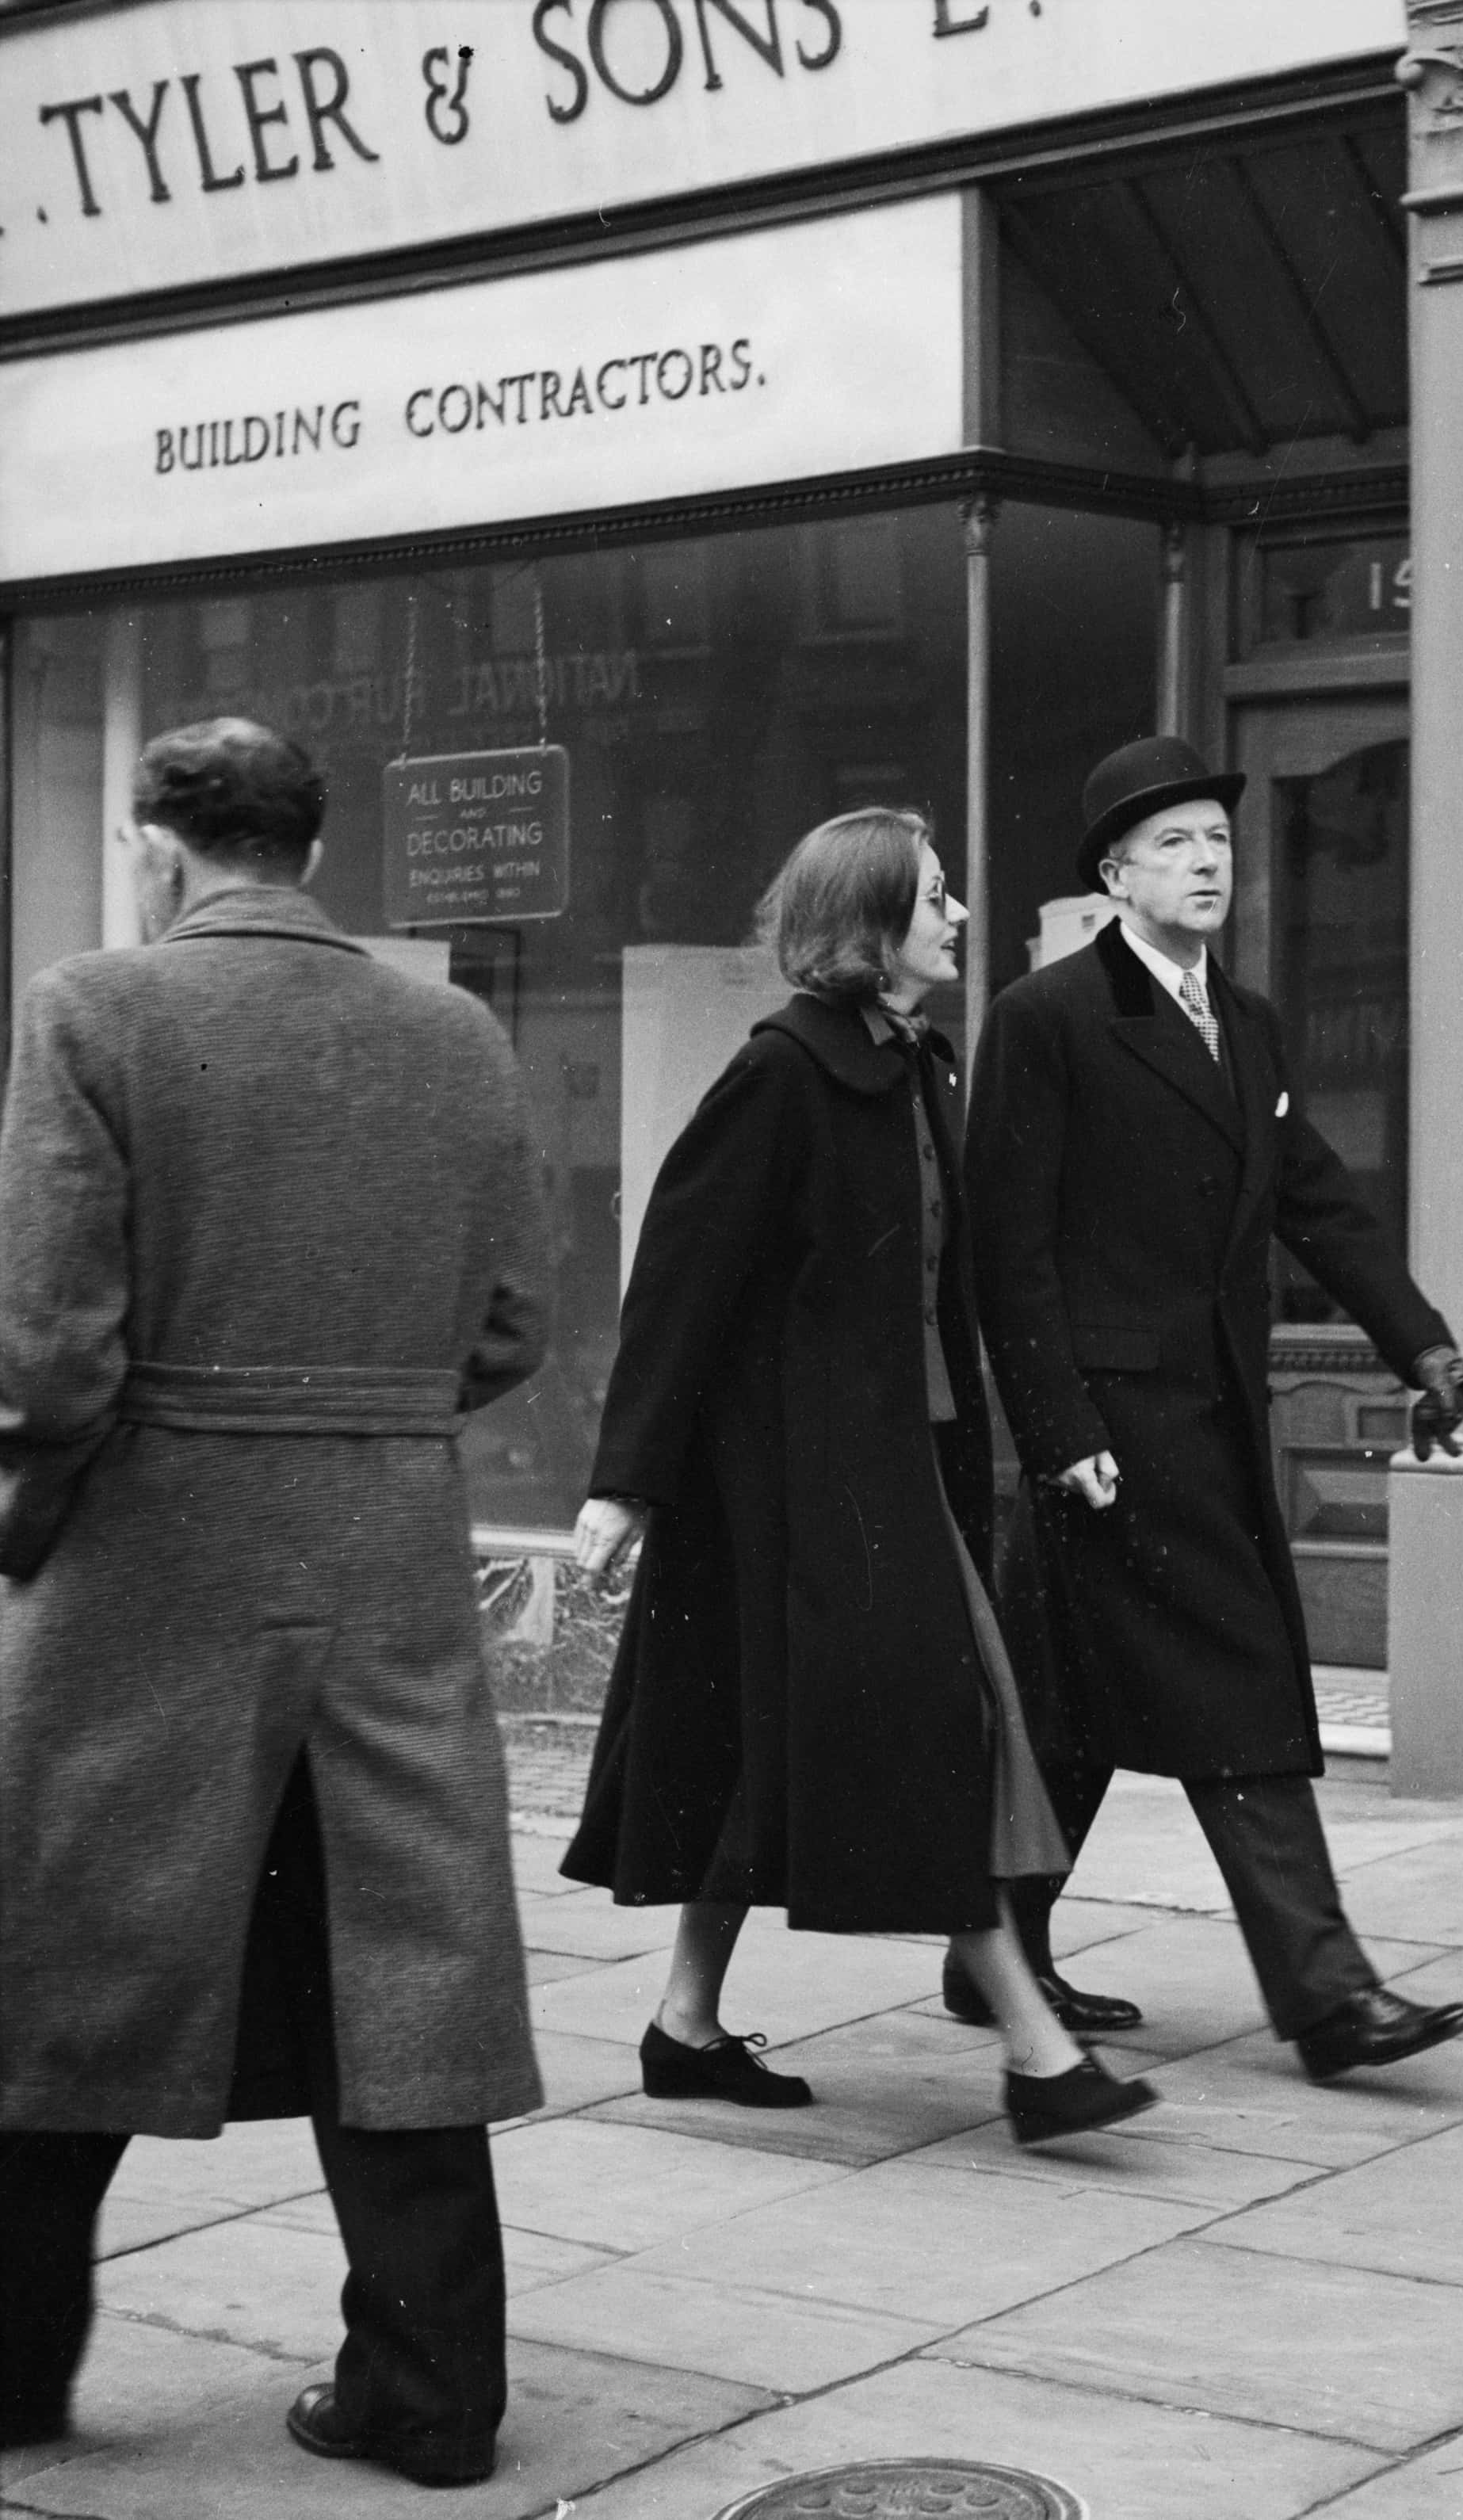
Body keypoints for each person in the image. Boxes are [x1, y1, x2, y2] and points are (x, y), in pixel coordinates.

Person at [0, 719, 550, 2485]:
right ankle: (430, 2394)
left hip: (158, 1550)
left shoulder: (92, 1008)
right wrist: (363, 1426)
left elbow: (50, 1351)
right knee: (406, 1965)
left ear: (161, 847)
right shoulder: (456, 1032)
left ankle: (9, 2373)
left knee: (67, 1954)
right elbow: (511, 1326)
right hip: (384, 1542)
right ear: (310, 850)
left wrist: (28, 1526)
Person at [560, 807, 1154, 2148]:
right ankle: (1039, 2055)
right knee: (939, 1740)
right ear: (873, 927)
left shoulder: (914, 1061)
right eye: (935, 897)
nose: (955, 916)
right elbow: (679, 1283)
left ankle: (684, 2026)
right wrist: (625, 1482)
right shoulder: (783, 1072)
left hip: (904, 1472)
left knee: (758, 1749)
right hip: (807, 1484)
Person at [963, 734, 1463, 2081]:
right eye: (1175, 845)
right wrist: (1059, 1430)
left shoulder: (1242, 1022)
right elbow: (1004, 1250)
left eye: (1220, 842)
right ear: (1114, 876)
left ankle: (995, 1950)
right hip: (1116, 1433)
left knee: (1073, 1710)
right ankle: (1326, 1997)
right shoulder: (1050, 1018)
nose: (1207, 865)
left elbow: (1319, 1202)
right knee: (1239, 1685)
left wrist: (1419, 1347)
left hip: (1210, 1417)